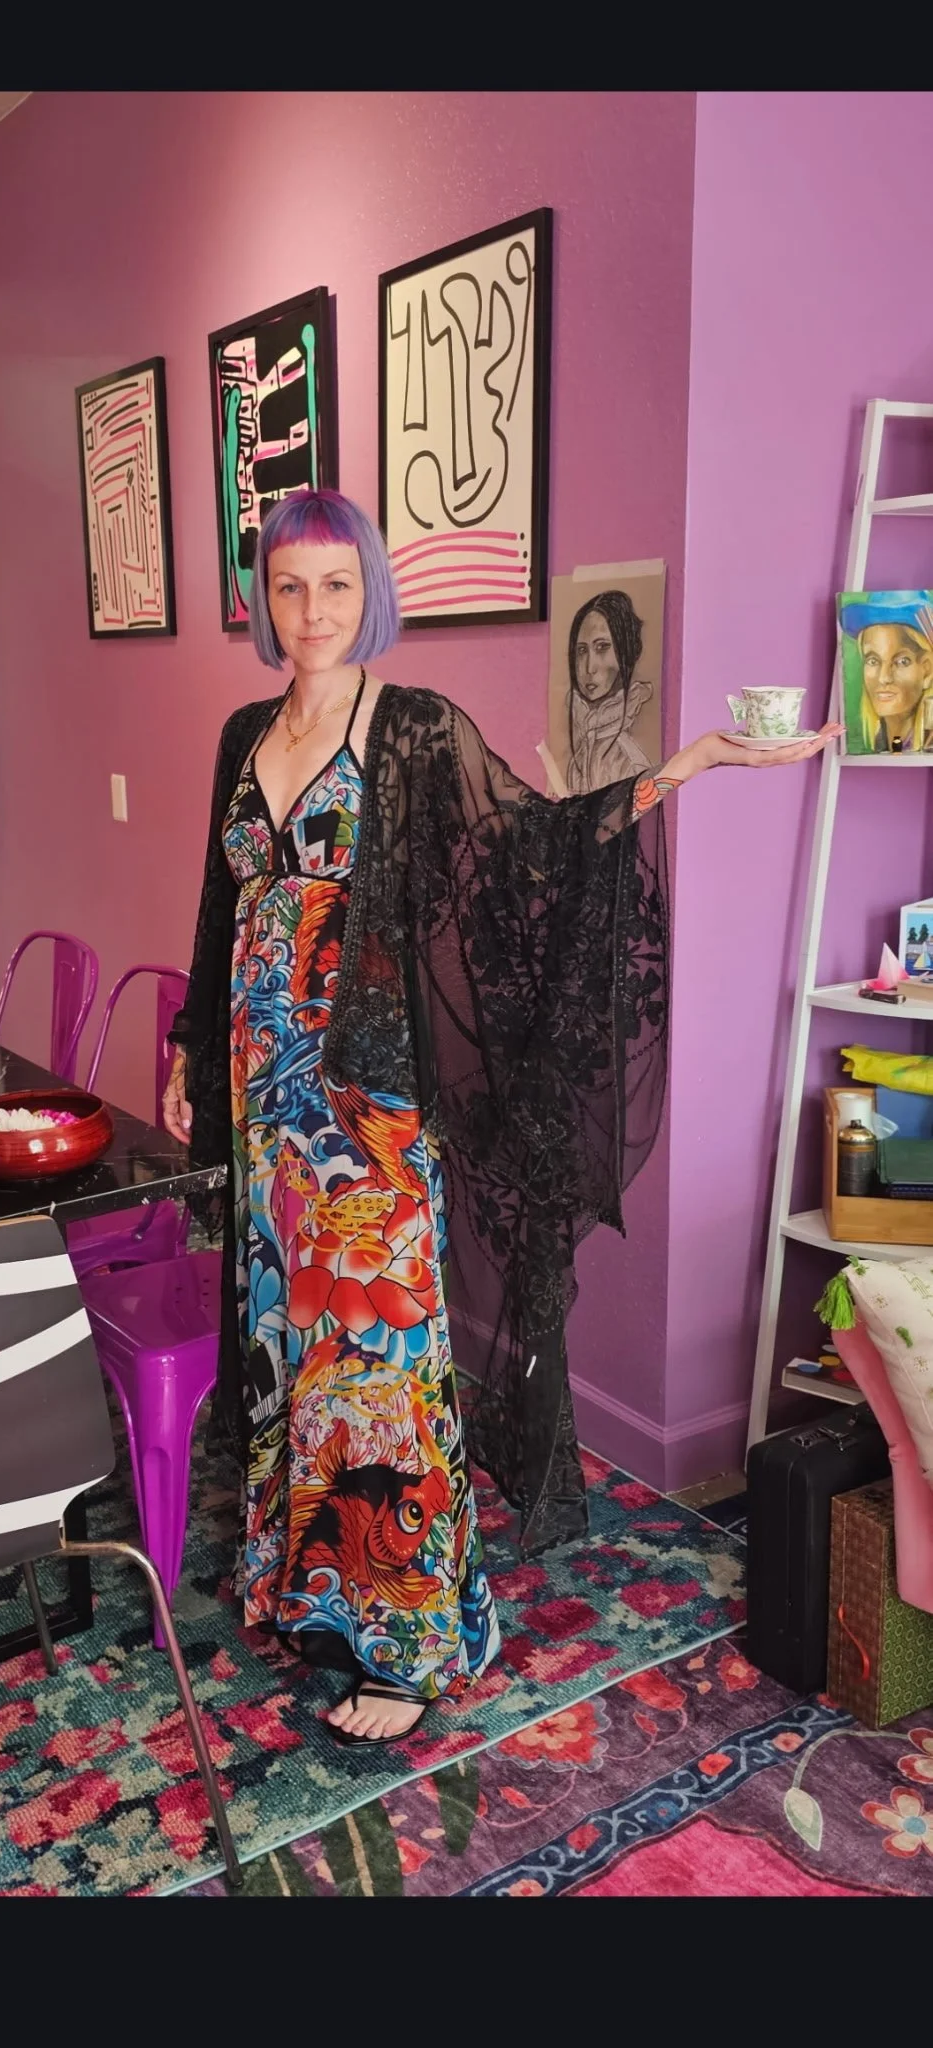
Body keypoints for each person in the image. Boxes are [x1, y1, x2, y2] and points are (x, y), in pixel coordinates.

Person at [164, 487, 840, 1745]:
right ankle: (303, 1584)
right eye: (290, 585)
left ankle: (405, 1637)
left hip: (366, 1103)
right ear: (264, 598)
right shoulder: (242, 732)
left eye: (337, 584)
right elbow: (222, 904)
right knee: (286, 1344)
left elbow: (536, 842)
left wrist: (689, 763)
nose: (313, 609)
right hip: (266, 1102)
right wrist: (191, 1045)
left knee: (378, 1358)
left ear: (371, 595)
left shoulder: (412, 728)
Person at [567, 587, 653, 793]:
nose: (589, 668)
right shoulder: (582, 752)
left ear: (626, 651)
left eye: (602, 647)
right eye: (581, 650)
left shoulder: (629, 763)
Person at [839, 592, 933, 752]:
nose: (884, 678)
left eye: (902, 661)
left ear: (927, 671)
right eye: (873, 661)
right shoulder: (878, 740)